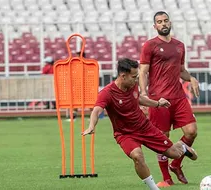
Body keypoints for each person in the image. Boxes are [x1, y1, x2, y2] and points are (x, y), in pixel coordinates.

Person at [82, 58, 197, 190]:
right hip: (125, 134)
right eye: (134, 76)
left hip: (144, 127)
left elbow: (139, 98)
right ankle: (154, 188)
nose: (137, 79)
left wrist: (158, 103)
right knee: (137, 156)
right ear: (123, 76)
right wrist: (91, 126)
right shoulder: (107, 93)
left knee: (174, 154)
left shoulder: (132, 85)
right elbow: (96, 110)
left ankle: (182, 148)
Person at [139, 11, 200, 187]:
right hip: (159, 98)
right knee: (163, 138)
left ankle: (176, 164)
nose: (163, 24)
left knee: (191, 131)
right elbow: (143, 71)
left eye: (165, 21)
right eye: (159, 22)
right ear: (155, 26)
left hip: (179, 96)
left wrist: (191, 78)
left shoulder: (179, 45)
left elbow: (181, 69)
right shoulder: (150, 45)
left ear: (170, 22)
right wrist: (143, 95)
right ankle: (167, 179)